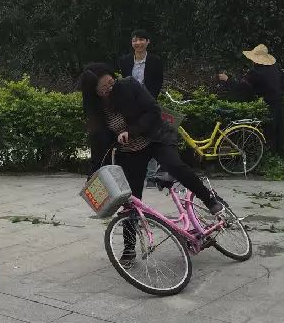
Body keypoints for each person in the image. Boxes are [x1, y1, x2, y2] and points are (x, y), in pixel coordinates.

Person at [79, 63, 225, 217]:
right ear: (93, 92)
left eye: (111, 82)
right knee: (132, 202)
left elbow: (153, 110)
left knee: (175, 166)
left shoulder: (129, 85)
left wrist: (131, 131)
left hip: (155, 138)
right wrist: (93, 176)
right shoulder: (95, 111)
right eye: (103, 87)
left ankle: (209, 199)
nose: (110, 87)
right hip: (130, 153)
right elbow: (97, 144)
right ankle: (130, 241)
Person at [217, 44, 284, 156]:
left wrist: (227, 80)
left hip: (268, 104)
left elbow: (242, 88)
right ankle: (279, 156)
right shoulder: (273, 68)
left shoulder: (256, 72)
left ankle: (267, 157)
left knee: (269, 131)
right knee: (278, 130)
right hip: (279, 101)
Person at [118, 29, 164, 183]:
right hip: (129, 106)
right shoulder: (124, 60)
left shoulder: (155, 61)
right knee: (131, 135)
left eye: (141, 39)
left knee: (149, 137)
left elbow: (157, 84)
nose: (137, 43)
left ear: (148, 42)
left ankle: (151, 176)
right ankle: (132, 172)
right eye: (134, 40)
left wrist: (149, 102)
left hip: (148, 105)